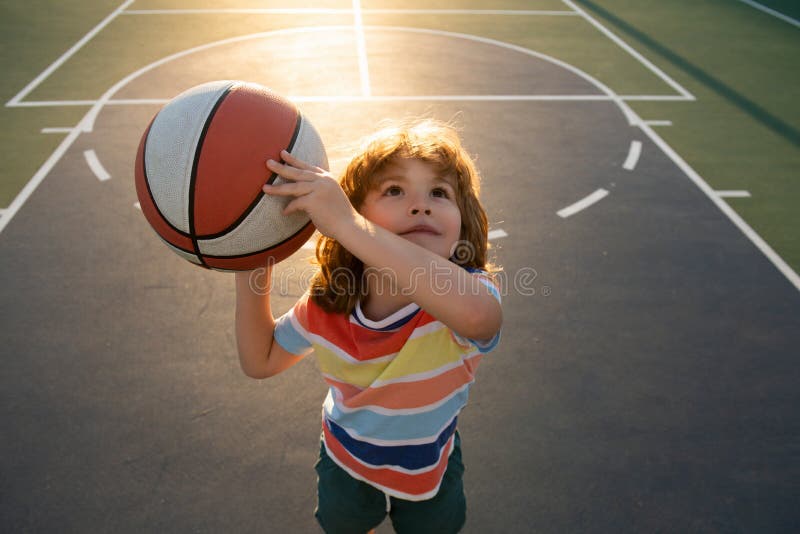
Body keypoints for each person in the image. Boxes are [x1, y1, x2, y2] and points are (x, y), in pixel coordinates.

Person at [234, 119, 502, 533]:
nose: (421, 204)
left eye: (440, 193)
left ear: (463, 222)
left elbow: (479, 317)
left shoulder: (464, 299)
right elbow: (262, 359)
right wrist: (249, 262)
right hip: (346, 462)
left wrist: (347, 225)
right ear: (356, 208)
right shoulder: (329, 305)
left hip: (431, 465)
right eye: (394, 190)